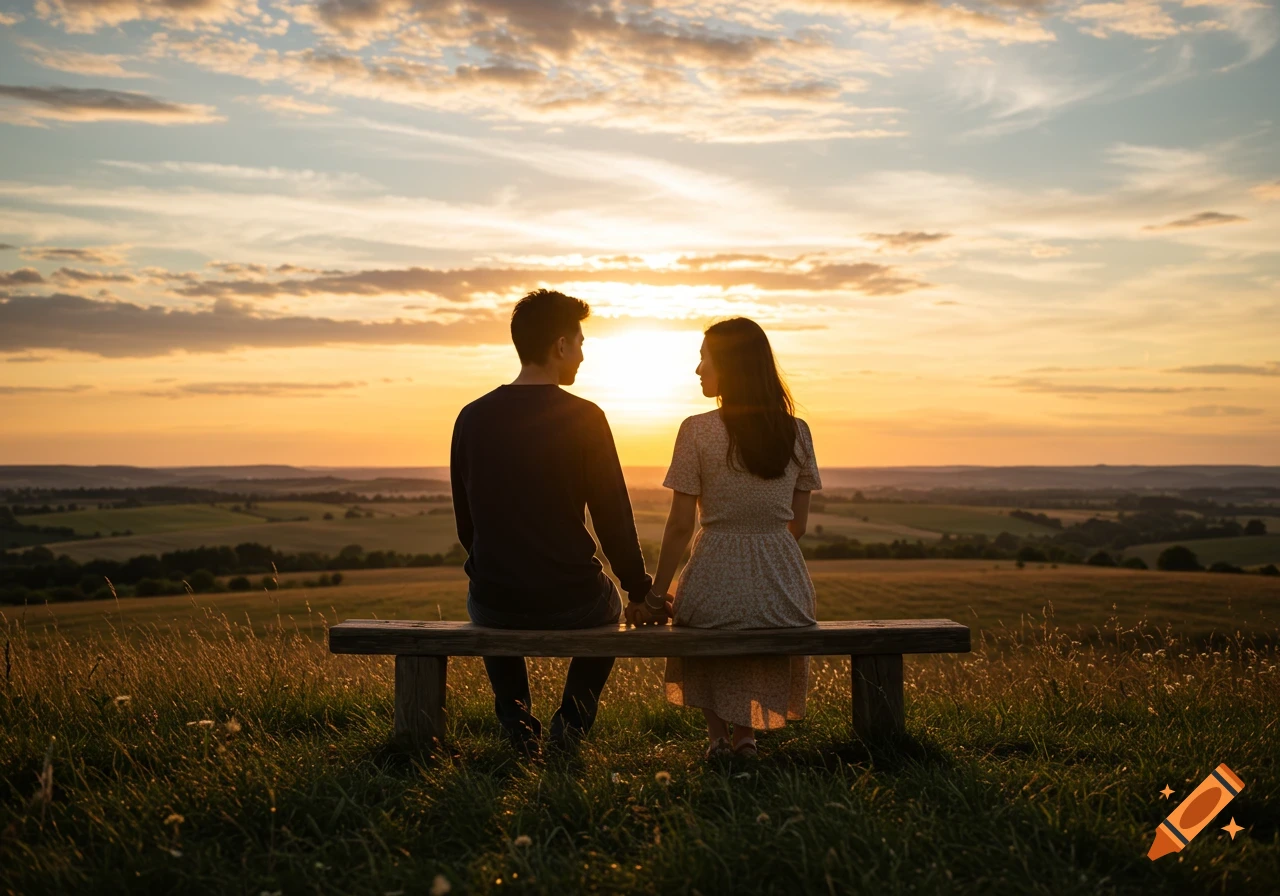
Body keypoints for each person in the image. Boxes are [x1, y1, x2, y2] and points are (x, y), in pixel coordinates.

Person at [450, 288, 667, 757]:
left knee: (486, 600)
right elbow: (613, 515)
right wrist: (636, 588)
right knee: (608, 607)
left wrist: (491, 568)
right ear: (561, 345)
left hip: (494, 599)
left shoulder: (471, 417)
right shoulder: (585, 418)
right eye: (582, 342)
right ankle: (571, 723)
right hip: (574, 600)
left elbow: (466, 523)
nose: (584, 355)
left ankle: (516, 723)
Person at [637, 317, 822, 759]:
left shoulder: (696, 429)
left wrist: (656, 593)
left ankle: (719, 736)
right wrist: (764, 548)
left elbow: (681, 525)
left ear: (730, 366)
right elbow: (798, 525)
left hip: (714, 570)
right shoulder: (797, 431)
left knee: (698, 613)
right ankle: (745, 735)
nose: (698, 369)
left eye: (705, 359)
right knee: (752, 623)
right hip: (785, 591)